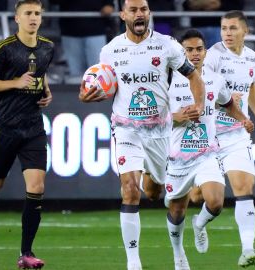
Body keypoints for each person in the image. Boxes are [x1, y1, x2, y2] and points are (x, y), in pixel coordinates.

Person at [79, 1, 205, 269]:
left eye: (144, 9)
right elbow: (104, 86)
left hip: (159, 131)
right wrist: (89, 95)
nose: (139, 14)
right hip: (126, 130)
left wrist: (199, 105)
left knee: (154, 192)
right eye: (133, 10)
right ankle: (133, 261)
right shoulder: (110, 51)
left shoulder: (167, 45)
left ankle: (156, 184)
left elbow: (194, 77)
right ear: (123, 15)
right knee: (130, 190)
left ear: (149, 14)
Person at [0, 1, 54, 269]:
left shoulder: (47, 47)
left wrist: (46, 91)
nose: (33, 18)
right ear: (17, 18)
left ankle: (26, 253)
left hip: (33, 128)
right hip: (5, 127)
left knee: (37, 185)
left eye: (37, 13)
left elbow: (41, 73)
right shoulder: (4, 49)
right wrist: (15, 82)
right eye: (28, 13)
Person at [165, 29, 254, 270]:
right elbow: (154, 118)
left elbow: (227, 105)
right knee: (176, 208)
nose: (194, 54)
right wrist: (178, 116)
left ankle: (199, 224)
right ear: (181, 52)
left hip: (207, 153)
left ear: (205, 51)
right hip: (177, 156)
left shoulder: (215, 79)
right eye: (189, 50)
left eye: (199, 49)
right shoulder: (169, 78)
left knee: (215, 202)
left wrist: (243, 119)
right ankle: (178, 253)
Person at [190, 10, 255, 268]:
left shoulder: (253, 59)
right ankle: (200, 222)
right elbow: (201, 87)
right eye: (224, 28)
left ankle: (247, 249)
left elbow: (251, 85)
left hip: (237, 136)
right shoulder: (213, 56)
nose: (227, 33)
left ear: (245, 31)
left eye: (233, 28)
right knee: (202, 199)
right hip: (209, 137)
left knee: (244, 188)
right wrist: (225, 101)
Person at [52, 0, 115, 82]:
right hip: (70, 30)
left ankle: (97, 93)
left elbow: (109, 7)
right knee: (75, 75)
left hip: (96, 30)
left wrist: (109, 5)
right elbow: (53, 2)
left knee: (98, 74)